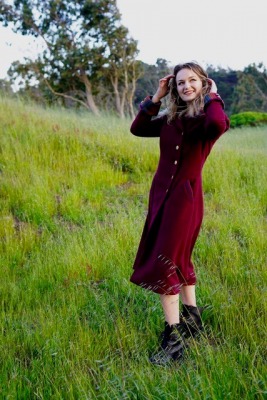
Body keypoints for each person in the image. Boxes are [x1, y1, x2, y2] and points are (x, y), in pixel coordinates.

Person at [129, 62, 230, 365]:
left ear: (203, 83)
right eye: (181, 82)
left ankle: (173, 339)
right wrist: (157, 96)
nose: (186, 86)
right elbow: (138, 128)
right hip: (161, 198)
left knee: (165, 263)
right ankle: (193, 322)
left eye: (193, 81)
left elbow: (216, 126)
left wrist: (214, 96)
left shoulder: (207, 118)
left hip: (184, 202)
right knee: (180, 261)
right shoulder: (171, 119)